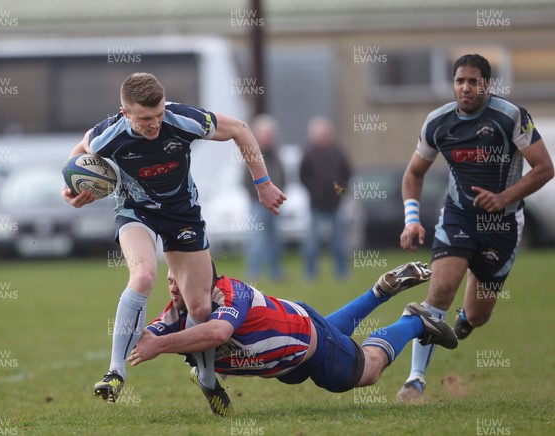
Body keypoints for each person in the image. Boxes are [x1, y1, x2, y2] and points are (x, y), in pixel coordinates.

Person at [62, 72, 286, 405]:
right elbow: (79, 156)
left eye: (158, 115)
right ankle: (115, 372)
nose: (154, 124)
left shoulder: (182, 119)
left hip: (183, 215)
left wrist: (262, 183)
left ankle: (207, 378)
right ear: (126, 114)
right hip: (135, 211)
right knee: (143, 276)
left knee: (199, 304)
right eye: (144, 119)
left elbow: (240, 129)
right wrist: (75, 189)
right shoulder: (107, 135)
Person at [396, 54, 554, 403]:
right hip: (458, 217)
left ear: (487, 84)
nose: (465, 88)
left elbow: (545, 168)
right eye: (459, 81)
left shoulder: (512, 116)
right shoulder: (438, 122)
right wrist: (411, 220)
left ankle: (466, 316)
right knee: (439, 292)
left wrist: (504, 198)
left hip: (502, 224)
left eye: (473, 81)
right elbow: (413, 174)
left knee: (479, 315)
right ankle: (415, 380)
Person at [126, 261, 458, 416]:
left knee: (367, 370)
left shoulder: (229, 293)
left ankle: (412, 322)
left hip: (305, 344)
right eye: (169, 279)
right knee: (328, 333)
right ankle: (378, 292)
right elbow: (145, 336)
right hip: (292, 352)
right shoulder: (177, 310)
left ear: (205, 278)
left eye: (178, 278)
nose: (172, 286)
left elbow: (218, 332)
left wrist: (159, 346)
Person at [299, 117, 352, 279]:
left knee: (339, 242)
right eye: (320, 134)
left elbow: (348, 174)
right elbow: (303, 176)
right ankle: (310, 273)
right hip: (316, 204)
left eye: (325, 133)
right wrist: (313, 191)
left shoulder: (339, 153)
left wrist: (341, 192)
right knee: (312, 243)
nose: (323, 137)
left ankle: (342, 273)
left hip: (335, 204)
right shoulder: (308, 154)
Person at [241, 114, 286, 280]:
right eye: (265, 134)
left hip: (274, 205)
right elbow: (245, 181)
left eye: (270, 134)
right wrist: (261, 196)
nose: (268, 138)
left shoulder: (276, 155)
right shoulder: (252, 155)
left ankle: (276, 272)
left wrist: (276, 196)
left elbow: (283, 177)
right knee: (256, 241)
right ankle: (253, 272)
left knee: (275, 240)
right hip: (257, 204)